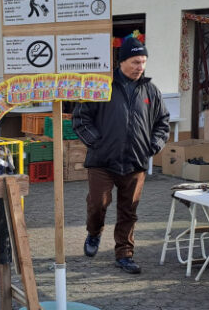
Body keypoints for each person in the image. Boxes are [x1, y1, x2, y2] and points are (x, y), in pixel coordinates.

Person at [72, 37, 170, 274]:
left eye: (144, 62)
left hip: (135, 162)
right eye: (136, 61)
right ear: (122, 61)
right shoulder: (101, 86)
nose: (140, 67)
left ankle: (124, 254)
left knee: (129, 210)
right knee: (98, 203)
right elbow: (80, 118)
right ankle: (94, 232)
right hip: (102, 162)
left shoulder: (150, 90)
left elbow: (163, 122)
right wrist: (97, 142)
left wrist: (152, 146)